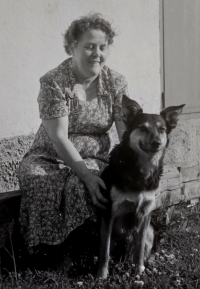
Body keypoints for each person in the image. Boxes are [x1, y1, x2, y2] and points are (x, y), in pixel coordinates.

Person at [18, 13, 129, 268]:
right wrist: (85, 175)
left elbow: (125, 133)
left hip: (94, 156)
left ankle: (84, 250)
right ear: (72, 47)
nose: (96, 54)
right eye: (89, 46)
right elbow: (58, 137)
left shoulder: (116, 83)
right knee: (39, 179)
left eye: (103, 47)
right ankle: (46, 254)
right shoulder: (54, 81)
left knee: (85, 187)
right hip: (50, 154)